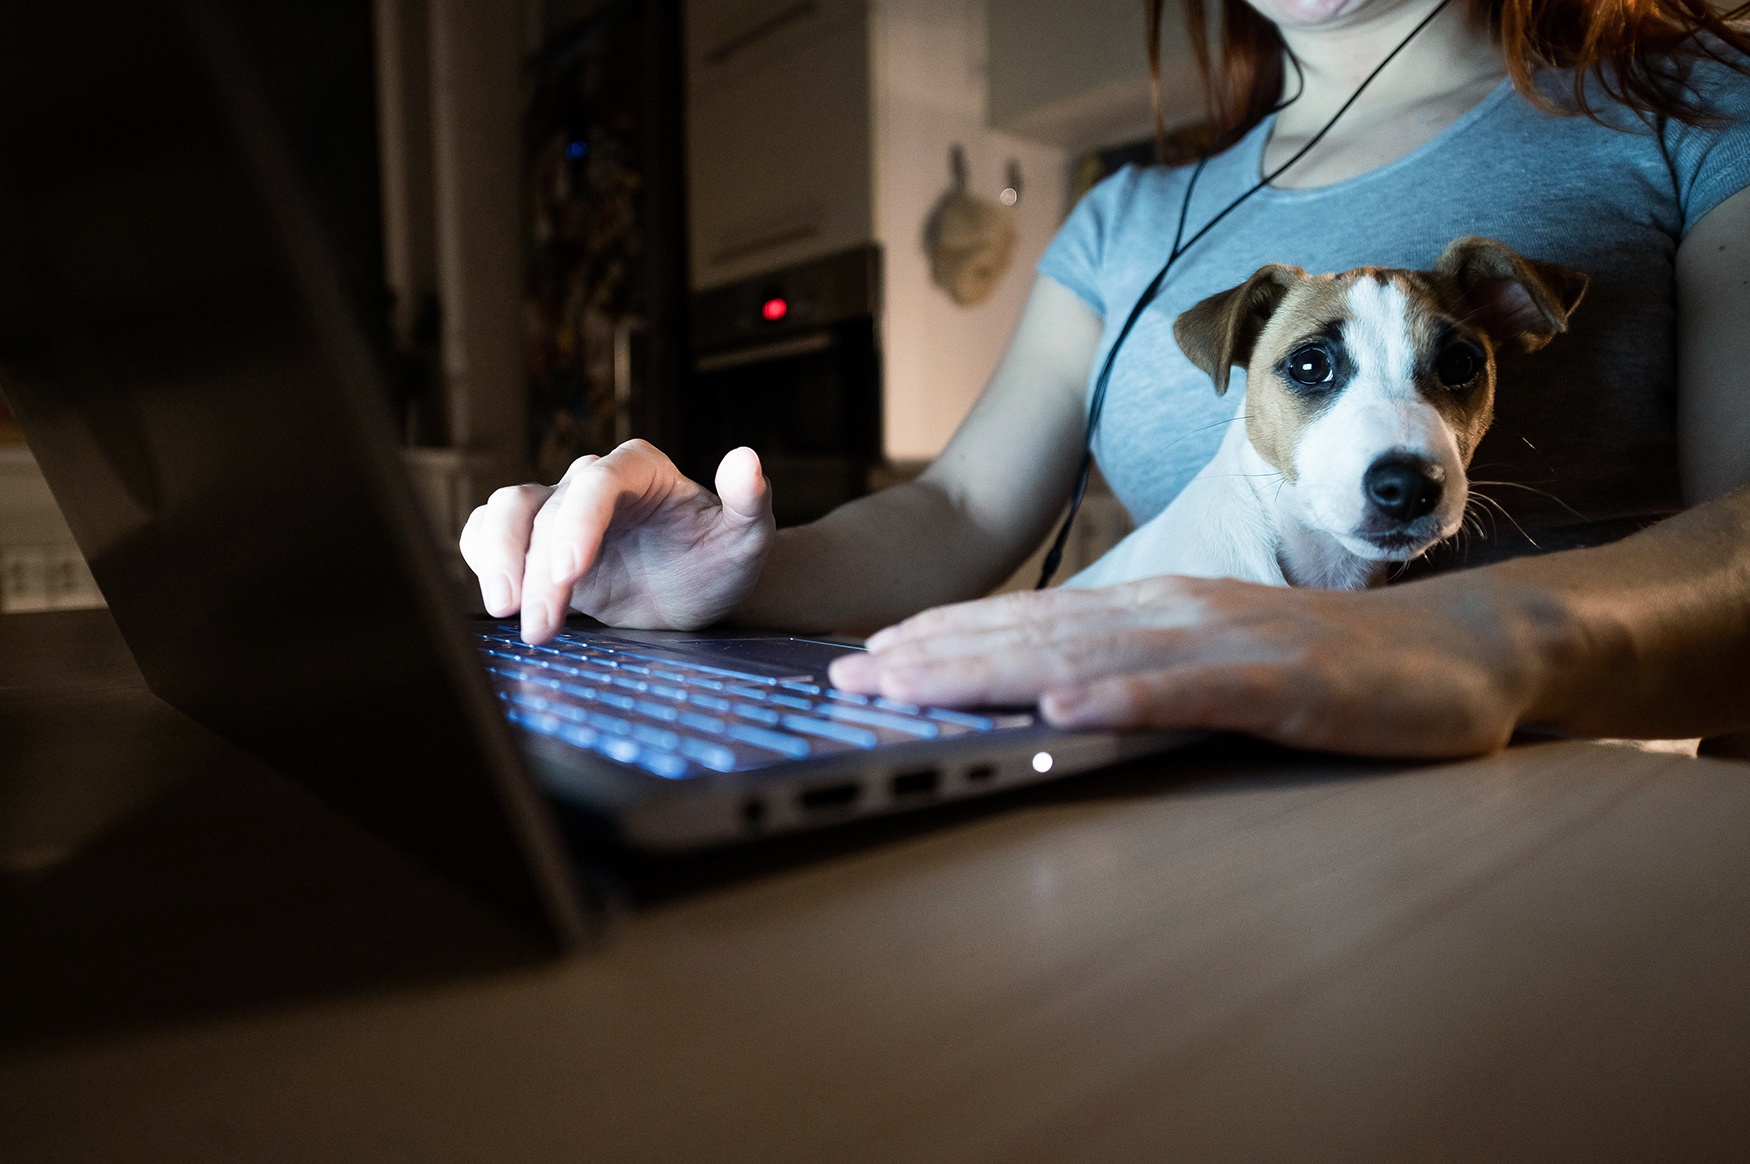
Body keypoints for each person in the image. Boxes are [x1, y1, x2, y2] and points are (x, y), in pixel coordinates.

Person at [461, 0, 1750, 758]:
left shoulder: (1691, 103)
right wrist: (727, 578)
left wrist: (1460, 640)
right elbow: (956, 511)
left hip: (1549, 837)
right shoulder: (1129, 215)